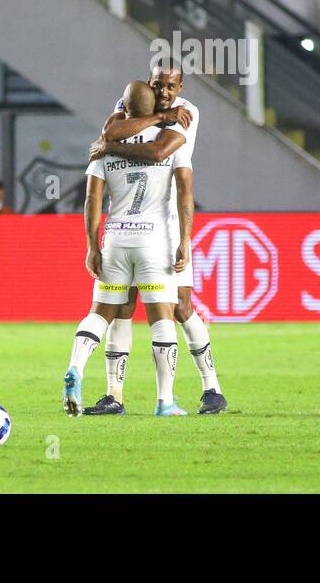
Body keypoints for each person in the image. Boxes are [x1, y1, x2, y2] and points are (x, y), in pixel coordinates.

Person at [85, 61, 226, 415]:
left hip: (167, 224)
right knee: (123, 306)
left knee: (181, 307)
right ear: (150, 82)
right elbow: (108, 131)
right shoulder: (131, 104)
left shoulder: (189, 113)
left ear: (181, 89)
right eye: (158, 85)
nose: (164, 93)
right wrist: (158, 119)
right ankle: (113, 396)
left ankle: (212, 388)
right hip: (129, 225)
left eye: (171, 87)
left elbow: (159, 152)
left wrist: (111, 148)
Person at [63, 80, 194, 417]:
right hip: (153, 243)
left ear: (124, 106)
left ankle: (76, 368)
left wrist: (92, 246)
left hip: (116, 241)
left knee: (101, 314)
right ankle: (165, 401)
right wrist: (184, 240)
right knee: (161, 318)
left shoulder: (105, 144)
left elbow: (92, 199)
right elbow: (182, 191)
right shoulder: (170, 136)